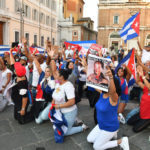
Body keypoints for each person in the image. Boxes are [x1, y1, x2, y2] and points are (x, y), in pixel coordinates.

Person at [87, 67, 129, 150]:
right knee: (89, 139)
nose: (103, 82)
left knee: (97, 146)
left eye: (106, 82)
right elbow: (92, 82)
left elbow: (112, 91)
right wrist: (88, 68)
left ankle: (122, 141)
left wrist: (111, 78)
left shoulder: (114, 97)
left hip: (110, 126)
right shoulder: (102, 93)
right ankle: (110, 136)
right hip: (101, 125)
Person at [51, 69, 88, 136]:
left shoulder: (68, 86)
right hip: (60, 112)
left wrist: (59, 106)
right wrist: (53, 102)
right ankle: (75, 120)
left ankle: (82, 127)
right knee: (56, 127)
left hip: (69, 112)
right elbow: (55, 93)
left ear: (61, 77)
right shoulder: (58, 82)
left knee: (64, 132)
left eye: (56, 74)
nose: (54, 75)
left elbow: (72, 101)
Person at [33, 53, 55, 124]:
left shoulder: (53, 79)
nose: (46, 72)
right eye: (45, 71)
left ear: (51, 72)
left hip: (51, 101)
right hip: (40, 101)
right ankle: (47, 111)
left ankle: (53, 111)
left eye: (48, 71)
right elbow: (37, 66)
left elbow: (54, 69)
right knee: (37, 121)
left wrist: (52, 58)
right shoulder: (42, 75)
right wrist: (34, 57)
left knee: (42, 118)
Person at [127, 65, 150, 132]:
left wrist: (142, 76)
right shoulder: (146, 89)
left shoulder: (148, 87)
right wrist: (137, 73)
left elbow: (148, 85)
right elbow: (138, 82)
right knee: (129, 122)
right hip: (141, 114)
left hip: (147, 117)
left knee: (135, 129)